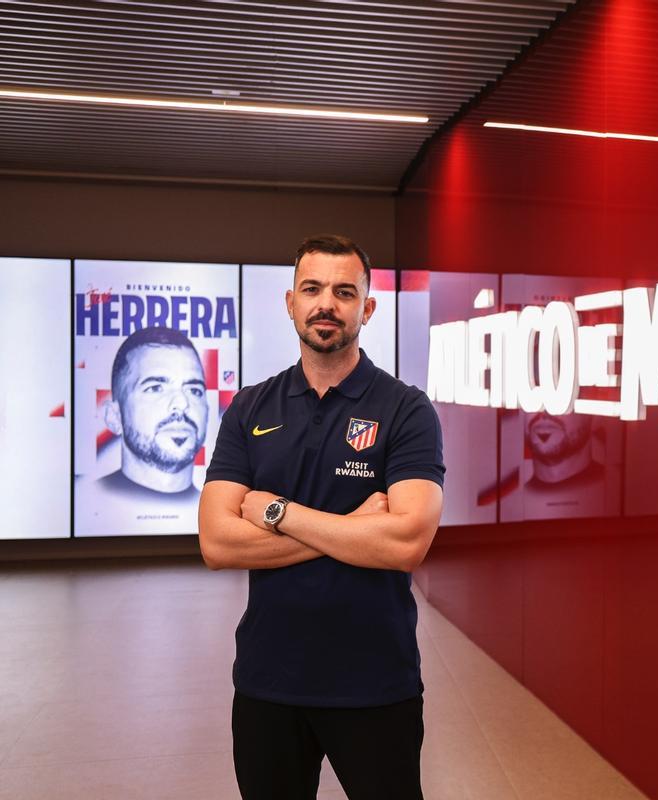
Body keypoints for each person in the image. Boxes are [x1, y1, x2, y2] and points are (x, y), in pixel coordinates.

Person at [198, 234, 446, 800]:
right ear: (291, 303)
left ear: (367, 308)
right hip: (268, 681)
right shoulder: (250, 407)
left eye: (344, 292)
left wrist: (277, 513)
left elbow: (406, 542)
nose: (326, 304)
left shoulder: (406, 409)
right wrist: (355, 526)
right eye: (311, 289)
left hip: (375, 682)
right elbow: (217, 542)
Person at [97, 325, 208, 501]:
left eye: (194, 390)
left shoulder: (225, 509)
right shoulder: (86, 494)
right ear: (114, 417)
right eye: (155, 388)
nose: (181, 403)